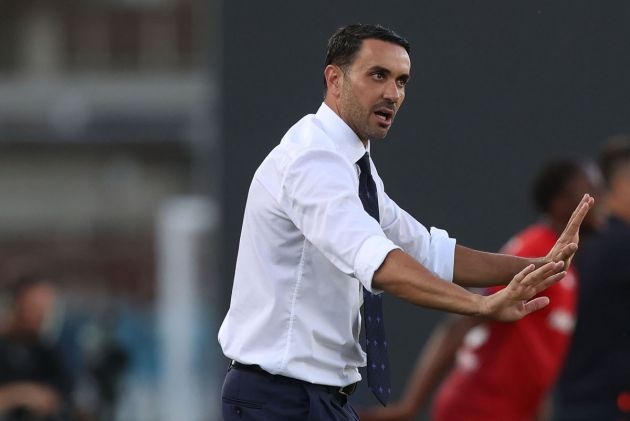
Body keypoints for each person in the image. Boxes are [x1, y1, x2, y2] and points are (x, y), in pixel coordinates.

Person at [218, 23, 593, 420]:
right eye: (377, 75)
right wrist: (478, 306)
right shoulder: (313, 161)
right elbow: (380, 264)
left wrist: (542, 266)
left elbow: (429, 252)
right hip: (279, 399)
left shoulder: (352, 162)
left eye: (402, 81)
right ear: (334, 79)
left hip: (311, 398)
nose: (392, 94)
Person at [358, 159, 603, 421]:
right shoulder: (533, 249)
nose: (601, 199)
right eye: (589, 191)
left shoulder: (567, 270)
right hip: (477, 410)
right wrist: (410, 406)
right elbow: (461, 323)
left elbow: (539, 363)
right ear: (560, 202)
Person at [553, 137, 630, 421]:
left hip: (569, 400)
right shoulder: (622, 245)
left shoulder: (581, 243)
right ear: (622, 185)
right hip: (606, 406)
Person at [0, 274, 74, 420]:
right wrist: (19, 394)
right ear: (13, 306)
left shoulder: (48, 350)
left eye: (45, 309)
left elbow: (62, 393)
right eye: (33, 307)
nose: (40, 315)